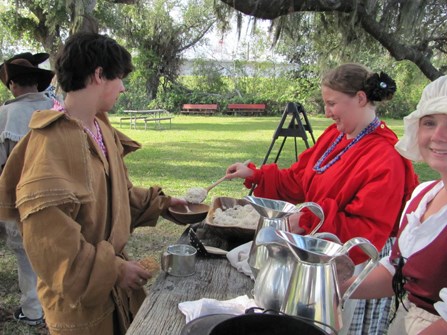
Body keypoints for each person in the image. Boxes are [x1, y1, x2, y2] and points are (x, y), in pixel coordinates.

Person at [0, 32, 186, 335]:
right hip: (78, 309)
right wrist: (113, 270)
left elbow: (116, 197)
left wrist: (162, 204)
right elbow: (49, 240)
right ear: (99, 74)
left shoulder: (100, 128)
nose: (123, 87)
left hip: (111, 297)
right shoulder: (50, 143)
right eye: (119, 78)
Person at [225, 63, 419, 334]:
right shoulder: (335, 136)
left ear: (360, 99)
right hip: (317, 253)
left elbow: (366, 230)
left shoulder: (386, 157)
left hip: (352, 269)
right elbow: (298, 179)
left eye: (332, 103)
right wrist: (255, 174)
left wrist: (306, 220)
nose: (327, 112)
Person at [342, 75, 447, 335]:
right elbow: (396, 271)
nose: (438, 135)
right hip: (407, 321)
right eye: (429, 122)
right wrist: (333, 289)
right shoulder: (425, 195)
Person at [0, 51, 56, 326]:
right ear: (37, 82)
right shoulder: (56, 108)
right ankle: (54, 306)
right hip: (57, 195)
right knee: (53, 250)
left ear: (12, 84)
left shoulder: (6, 114)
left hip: (19, 197)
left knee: (24, 254)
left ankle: (34, 310)